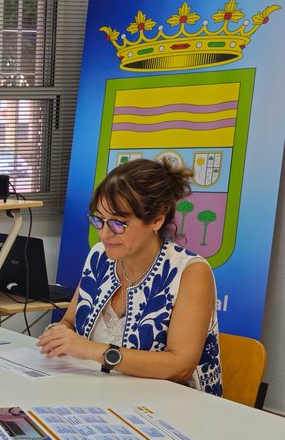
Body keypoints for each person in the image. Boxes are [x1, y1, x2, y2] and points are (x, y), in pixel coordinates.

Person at [37, 158, 222, 394]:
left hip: (172, 409)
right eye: (99, 220)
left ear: (157, 219)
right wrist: (58, 336)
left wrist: (93, 351)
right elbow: (70, 323)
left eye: (118, 223)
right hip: (100, 395)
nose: (104, 234)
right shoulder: (99, 256)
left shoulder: (190, 271)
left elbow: (180, 366)